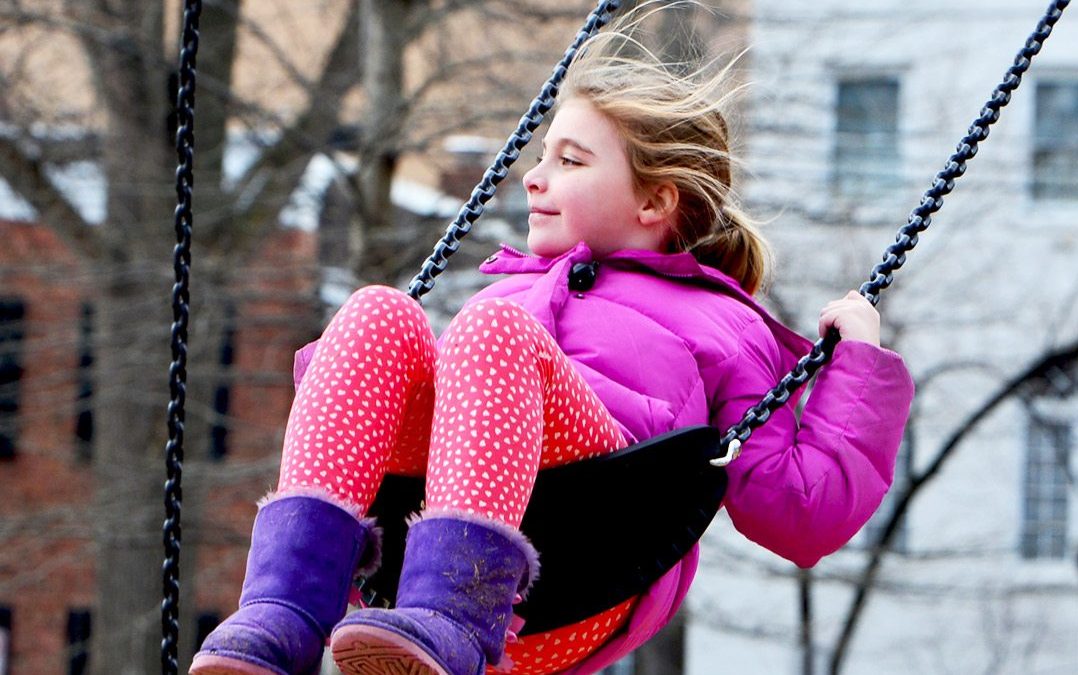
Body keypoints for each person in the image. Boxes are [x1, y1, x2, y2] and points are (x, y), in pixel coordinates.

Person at [190, 19, 914, 675]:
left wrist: (858, 362)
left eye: (571, 160)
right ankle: (284, 614)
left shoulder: (721, 322)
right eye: (543, 155)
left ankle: (456, 615)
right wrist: (357, 377)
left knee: (491, 333)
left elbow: (802, 510)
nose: (534, 176)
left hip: (593, 551)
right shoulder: (501, 295)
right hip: (431, 543)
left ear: (654, 201)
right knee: (377, 310)